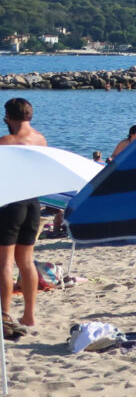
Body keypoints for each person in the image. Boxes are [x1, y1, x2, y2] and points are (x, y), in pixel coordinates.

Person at [0, 98, 47, 337]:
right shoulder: (41, 140)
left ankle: (5, 315)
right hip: (33, 204)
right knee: (27, 261)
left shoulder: (5, 143)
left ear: (8, 117)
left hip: (11, 204)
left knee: (5, 263)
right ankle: (29, 315)